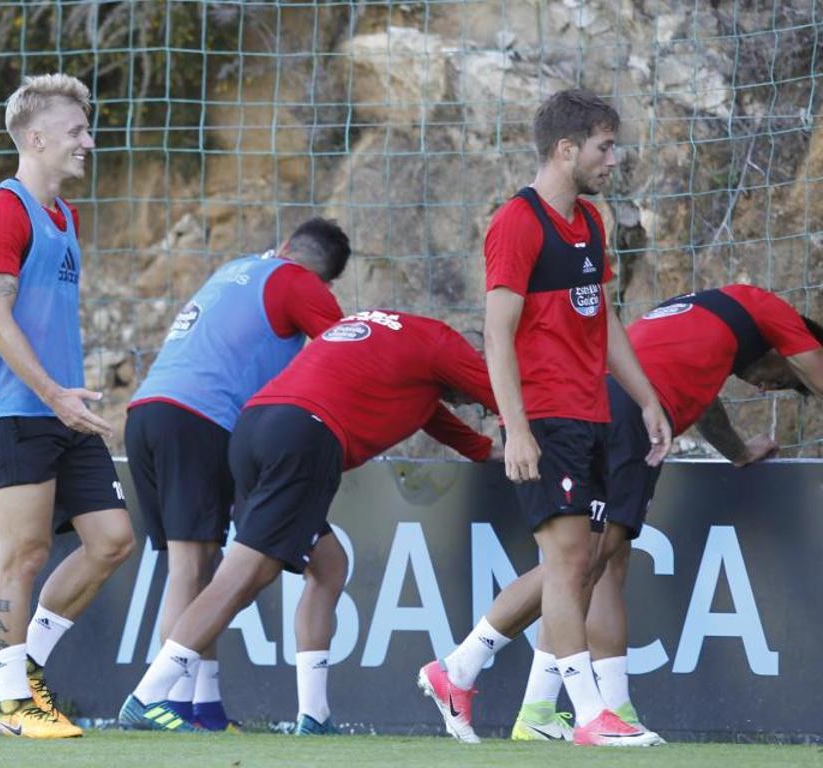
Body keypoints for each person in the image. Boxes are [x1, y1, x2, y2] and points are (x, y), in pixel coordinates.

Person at [418, 89, 671, 748]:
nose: (613, 159)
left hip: (590, 415)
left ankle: (458, 669)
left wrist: (646, 399)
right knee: (567, 561)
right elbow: (497, 335)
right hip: (545, 415)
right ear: (565, 149)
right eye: (603, 147)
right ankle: (588, 716)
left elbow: (602, 319)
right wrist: (517, 428)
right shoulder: (517, 223)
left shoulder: (590, 221)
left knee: (582, 560)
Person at [119, 310, 499, 734]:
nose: (469, 405)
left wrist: (484, 450)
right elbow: (501, 391)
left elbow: (434, 416)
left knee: (329, 565)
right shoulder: (446, 344)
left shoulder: (406, 345)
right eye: (471, 402)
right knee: (241, 578)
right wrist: (522, 433)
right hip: (305, 437)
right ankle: (148, 695)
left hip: (256, 425)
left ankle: (314, 715)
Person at [486, 286, 823, 741]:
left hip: (592, 401)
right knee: (582, 562)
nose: (763, 388)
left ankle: (570, 709)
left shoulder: (703, 319)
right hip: (631, 414)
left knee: (602, 563)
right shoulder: (770, 311)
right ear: (786, 351)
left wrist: (740, 453)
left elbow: (703, 404)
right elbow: (816, 369)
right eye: (779, 380)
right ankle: (468, 670)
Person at [125, 217, 350, 732]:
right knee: (191, 569)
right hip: (199, 418)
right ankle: (165, 702)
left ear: (285, 243)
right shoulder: (299, 283)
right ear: (327, 281)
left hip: (149, 411)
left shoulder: (236, 269)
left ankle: (204, 707)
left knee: (203, 567)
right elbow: (350, 347)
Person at [0, 73, 132, 740]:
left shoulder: (67, 216)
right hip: (14, 410)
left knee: (112, 540)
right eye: (75, 132)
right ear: (34, 139)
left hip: (63, 407)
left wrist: (65, 396)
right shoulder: (3, 211)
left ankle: (21, 666)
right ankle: (13, 704)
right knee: (24, 553)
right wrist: (54, 393)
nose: (87, 142)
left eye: (86, 130)